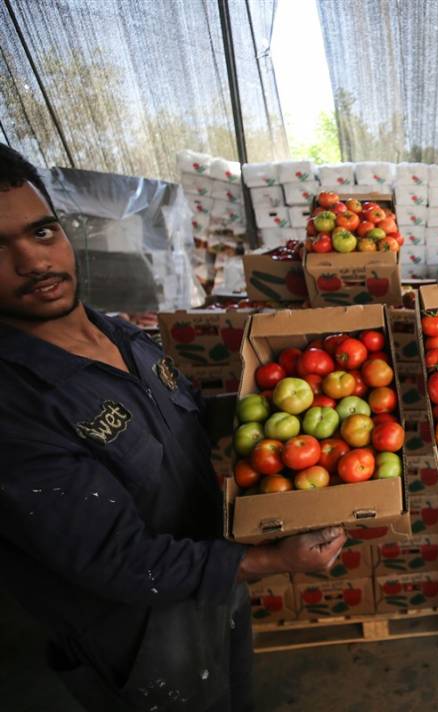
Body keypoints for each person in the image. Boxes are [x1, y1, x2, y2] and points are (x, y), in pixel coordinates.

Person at [0, 143, 346, 711]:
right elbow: (114, 559)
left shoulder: (120, 336)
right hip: (137, 638)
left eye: (41, 232)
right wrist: (271, 560)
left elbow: (185, 420)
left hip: (210, 581)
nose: (33, 261)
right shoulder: (15, 408)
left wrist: (294, 412)